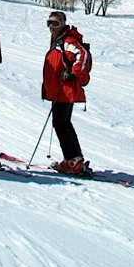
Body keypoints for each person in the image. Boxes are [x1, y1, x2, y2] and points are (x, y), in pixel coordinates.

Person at [42, 10, 91, 176]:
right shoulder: (58, 39)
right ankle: (75, 158)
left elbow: (82, 55)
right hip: (60, 89)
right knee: (63, 123)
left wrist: (73, 73)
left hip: (65, 90)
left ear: (63, 24)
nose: (51, 27)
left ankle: (72, 160)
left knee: (61, 123)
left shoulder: (67, 40)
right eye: (49, 23)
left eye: (55, 23)